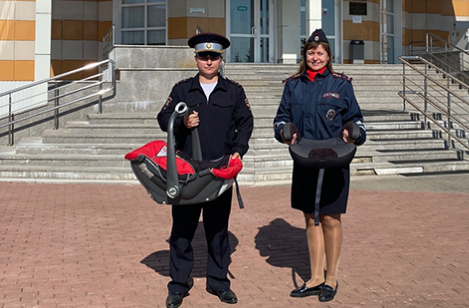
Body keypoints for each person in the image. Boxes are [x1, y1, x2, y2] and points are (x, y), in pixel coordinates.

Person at [156, 32, 253, 308]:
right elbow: (163, 118)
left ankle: (219, 283)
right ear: (195, 59)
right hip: (187, 171)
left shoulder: (233, 91)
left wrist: (238, 150)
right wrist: (182, 121)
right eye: (203, 56)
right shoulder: (182, 90)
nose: (208, 61)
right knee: (182, 230)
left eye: (213, 57)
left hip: (220, 170)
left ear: (221, 59)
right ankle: (178, 285)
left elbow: (246, 123)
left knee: (218, 230)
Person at [273, 29, 366, 303]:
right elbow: (281, 118)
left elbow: (356, 118)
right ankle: (315, 278)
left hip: (334, 159)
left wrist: (354, 132)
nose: (315, 57)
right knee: (310, 216)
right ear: (305, 55)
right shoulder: (293, 85)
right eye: (311, 52)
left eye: (320, 53)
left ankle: (331, 278)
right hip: (305, 159)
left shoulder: (342, 85)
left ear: (328, 56)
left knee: (330, 217)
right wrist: (284, 131)